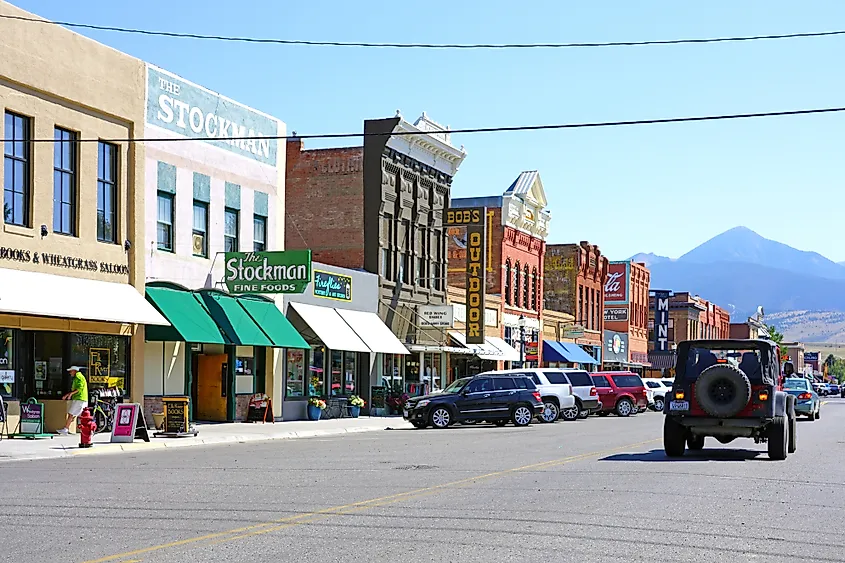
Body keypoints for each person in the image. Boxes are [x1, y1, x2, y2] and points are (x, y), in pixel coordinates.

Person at [58, 366, 87, 435]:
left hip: (79, 399)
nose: (70, 372)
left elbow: (79, 388)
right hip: (80, 398)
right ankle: (83, 428)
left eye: (71, 371)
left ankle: (66, 429)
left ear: (74, 371)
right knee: (76, 415)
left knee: (71, 414)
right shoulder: (79, 376)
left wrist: (69, 394)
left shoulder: (78, 377)